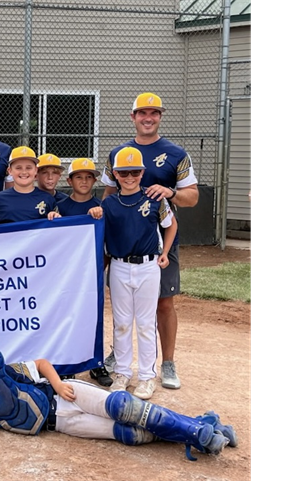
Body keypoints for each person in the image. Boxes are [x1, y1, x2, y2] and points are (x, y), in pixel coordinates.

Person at [0, 350, 237, 461]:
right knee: (130, 434)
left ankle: (200, 433)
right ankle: (205, 423)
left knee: (126, 408)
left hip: (63, 395)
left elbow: (40, 362)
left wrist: (59, 383)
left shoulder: (2, 371)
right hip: (63, 424)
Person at [101, 93, 199, 391]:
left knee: (163, 303)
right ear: (133, 117)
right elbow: (107, 196)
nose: (148, 118)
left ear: (160, 116)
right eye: (142, 113)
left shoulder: (175, 153)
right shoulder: (118, 153)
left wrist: (168, 192)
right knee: (122, 311)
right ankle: (120, 360)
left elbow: (192, 197)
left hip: (157, 244)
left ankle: (165, 363)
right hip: (123, 247)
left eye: (154, 113)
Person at [100, 146, 178, 400]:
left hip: (148, 265)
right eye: (124, 173)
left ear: (143, 172)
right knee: (122, 323)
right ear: (115, 174)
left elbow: (171, 224)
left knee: (145, 323)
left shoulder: (154, 197)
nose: (130, 177)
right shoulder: (110, 202)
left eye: (135, 172)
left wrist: (165, 252)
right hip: (120, 265)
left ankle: (146, 376)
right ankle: (122, 372)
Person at [54, 158, 108, 383]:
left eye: (88, 177)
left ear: (95, 180)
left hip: (90, 271)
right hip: (66, 273)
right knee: (67, 315)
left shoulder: (100, 207)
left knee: (93, 316)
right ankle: (69, 362)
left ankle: (96, 363)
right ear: (69, 180)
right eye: (79, 177)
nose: (84, 181)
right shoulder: (61, 206)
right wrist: (52, 219)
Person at [0, 146, 61, 225]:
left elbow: (56, 231)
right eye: (18, 168)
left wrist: (56, 218)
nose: (24, 172)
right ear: (10, 171)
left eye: (28, 168)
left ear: (36, 170)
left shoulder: (48, 199)